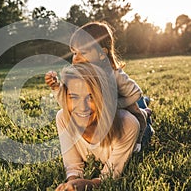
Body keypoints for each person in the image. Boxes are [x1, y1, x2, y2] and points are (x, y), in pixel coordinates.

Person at [45, 21, 151, 152]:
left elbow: (135, 94)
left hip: (124, 107)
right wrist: (56, 87)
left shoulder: (115, 74)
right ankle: (145, 105)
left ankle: (145, 116)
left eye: (82, 53)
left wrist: (115, 105)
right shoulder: (79, 76)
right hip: (102, 113)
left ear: (102, 54)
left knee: (139, 119)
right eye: (74, 53)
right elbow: (69, 102)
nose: (76, 59)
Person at [54, 63, 140, 191]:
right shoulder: (63, 118)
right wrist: (72, 183)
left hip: (138, 137)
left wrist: (90, 184)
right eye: (74, 97)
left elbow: (110, 175)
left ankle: (144, 107)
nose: (82, 107)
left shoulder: (128, 125)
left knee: (142, 109)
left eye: (91, 97)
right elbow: (73, 165)